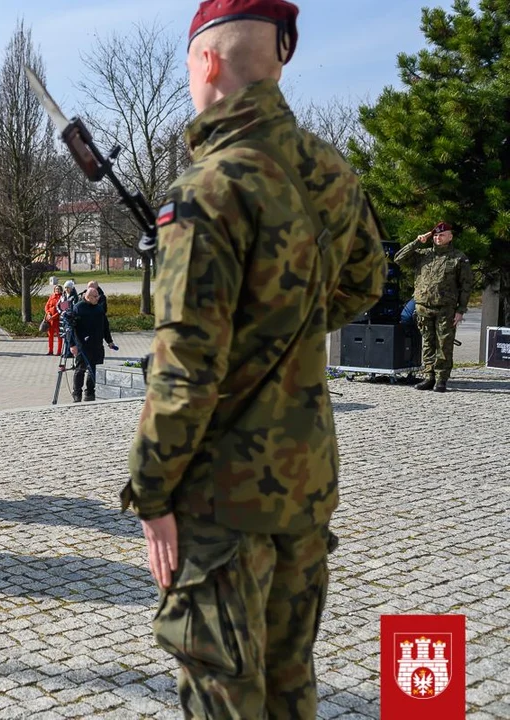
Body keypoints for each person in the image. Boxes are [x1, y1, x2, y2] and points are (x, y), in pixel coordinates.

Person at [121, 3, 387, 719]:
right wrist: (285, 328)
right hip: (304, 483)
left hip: (220, 498)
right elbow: (366, 281)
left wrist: (150, 494)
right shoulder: (332, 170)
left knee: (226, 694)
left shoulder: (209, 189)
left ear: (206, 63)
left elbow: (185, 369)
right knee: (289, 683)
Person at [395, 222, 472, 392]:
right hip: (423, 306)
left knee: (444, 344)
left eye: (442, 235)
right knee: (428, 343)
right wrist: (417, 242)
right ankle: (429, 376)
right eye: (436, 235)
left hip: (446, 308)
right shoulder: (423, 254)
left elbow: (466, 286)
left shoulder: (459, 258)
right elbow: (398, 258)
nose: (438, 238)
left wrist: (461, 310)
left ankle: (442, 379)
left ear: (450, 237)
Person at [69, 287, 114, 402]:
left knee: (94, 370)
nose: (97, 298)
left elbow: (105, 327)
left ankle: (90, 392)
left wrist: (109, 341)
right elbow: (71, 328)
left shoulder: (99, 309)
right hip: (82, 346)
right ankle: (77, 393)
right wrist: (72, 345)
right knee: (80, 369)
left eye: (98, 296)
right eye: (95, 296)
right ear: (87, 297)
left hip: (97, 345)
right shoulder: (78, 308)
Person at [43, 284, 63, 356]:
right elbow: (46, 306)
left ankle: (59, 351)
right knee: (50, 336)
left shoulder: (63, 298)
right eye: (56, 289)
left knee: (59, 336)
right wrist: (48, 313)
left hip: (58, 320)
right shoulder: (51, 296)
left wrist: (53, 316)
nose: (57, 290)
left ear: (61, 290)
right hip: (50, 320)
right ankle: (50, 350)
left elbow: (62, 310)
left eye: (58, 289)